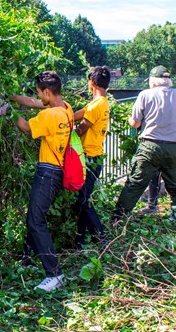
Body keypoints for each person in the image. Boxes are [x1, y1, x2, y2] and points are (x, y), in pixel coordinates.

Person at [4, 71, 70, 292]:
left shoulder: (48, 116)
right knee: (35, 216)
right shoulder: (65, 109)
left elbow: (25, 127)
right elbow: (33, 103)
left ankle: (54, 273)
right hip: (58, 170)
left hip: (47, 172)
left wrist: (7, 111)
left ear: (48, 92)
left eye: (41, 93)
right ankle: (28, 257)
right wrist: (12, 97)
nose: (39, 97)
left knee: (35, 220)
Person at [111, 66, 176, 224]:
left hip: (150, 146)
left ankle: (118, 217)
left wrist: (131, 119)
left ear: (153, 82)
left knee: (135, 183)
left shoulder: (145, 94)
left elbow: (135, 123)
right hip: (174, 146)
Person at [72, 66, 111, 247]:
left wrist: (66, 132)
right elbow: (74, 115)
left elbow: (80, 129)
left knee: (83, 199)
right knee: (82, 198)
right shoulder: (100, 103)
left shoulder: (96, 106)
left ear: (92, 83)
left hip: (89, 159)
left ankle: (100, 238)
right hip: (95, 158)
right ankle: (79, 239)